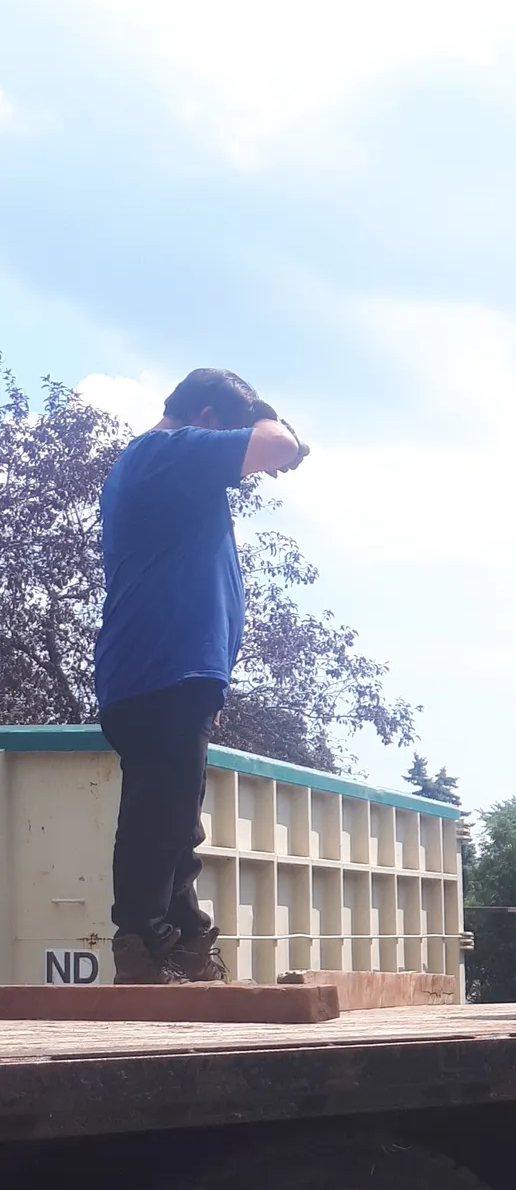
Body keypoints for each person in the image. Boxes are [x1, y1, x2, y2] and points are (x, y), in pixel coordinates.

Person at [95, 368, 308, 983]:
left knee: (173, 810)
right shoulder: (169, 451)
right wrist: (270, 421)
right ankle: (141, 939)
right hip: (162, 666)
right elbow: (280, 446)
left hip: (164, 668)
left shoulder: (164, 467)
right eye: (232, 433)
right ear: (209, 421)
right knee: (160, 811)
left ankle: (185, 935)